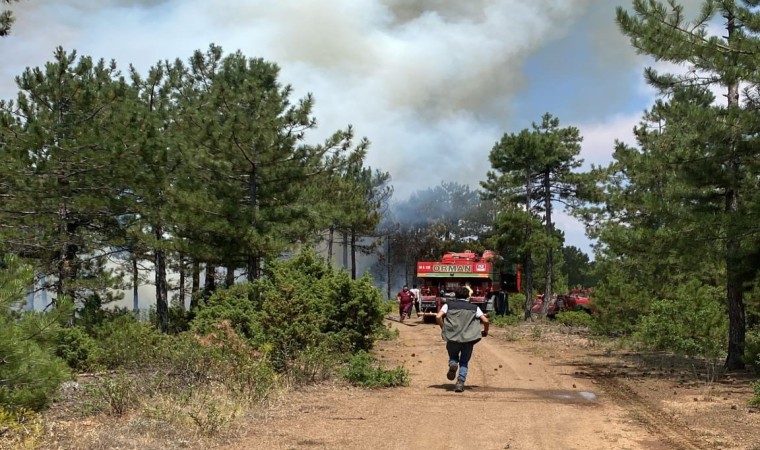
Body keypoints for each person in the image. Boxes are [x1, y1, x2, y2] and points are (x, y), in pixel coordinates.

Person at [436, 287, 489, 393]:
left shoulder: (448, 305)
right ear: (467, 296)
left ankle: (453, 364)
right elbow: (485, 320)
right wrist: (485, 332)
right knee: (464, 362)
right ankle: (460, 383)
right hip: (468, 339)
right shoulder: (474, 307)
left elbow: (438, 317)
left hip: (452, 338)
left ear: (455, 295)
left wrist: (444, 328)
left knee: (453, 356)